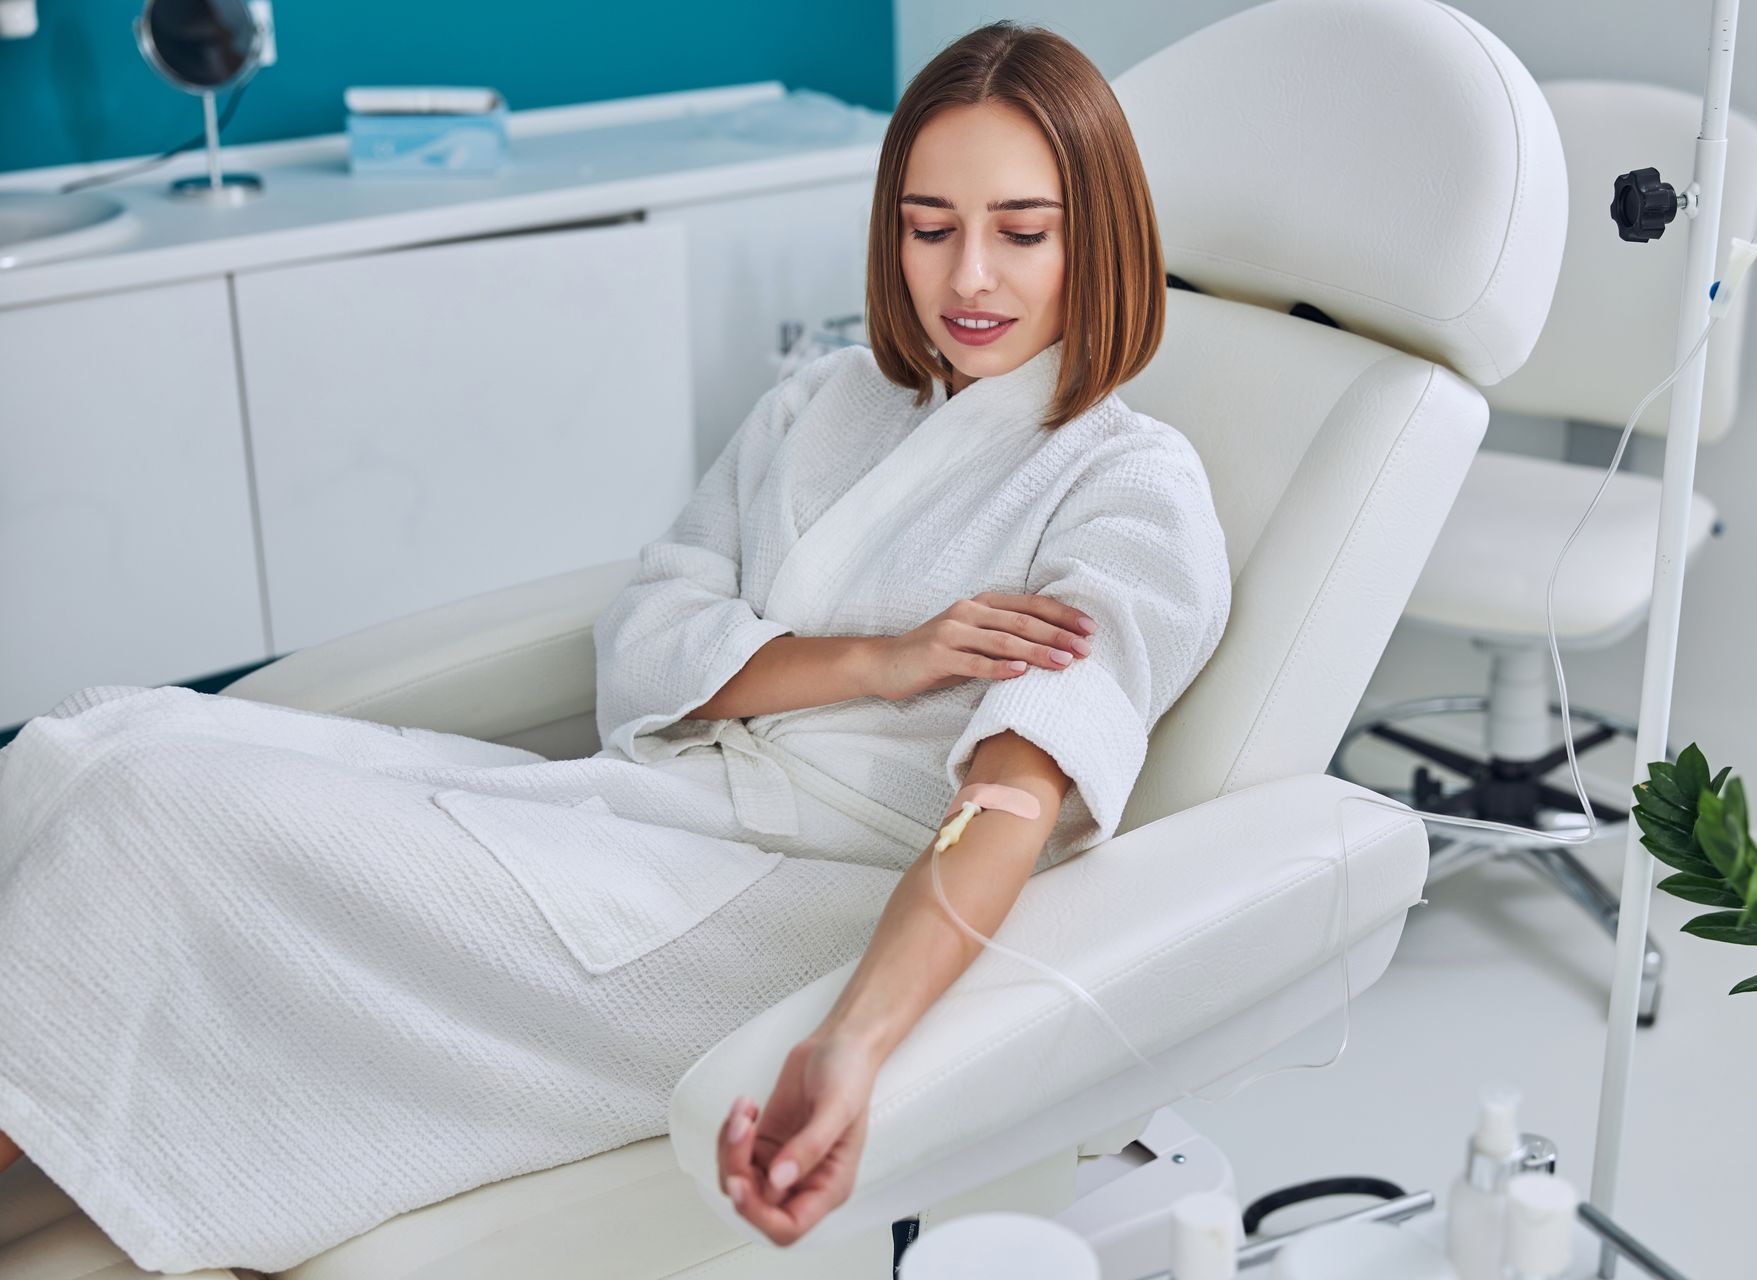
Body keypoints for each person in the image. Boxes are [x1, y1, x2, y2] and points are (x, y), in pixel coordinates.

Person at [0, 18, 1231, 1270]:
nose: (970, 277)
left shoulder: (1131, 490)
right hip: (653, 816)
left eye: (1023, 233)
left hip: (806, 916)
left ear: (1099, 236)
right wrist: (882, 657)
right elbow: (648, 635)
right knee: (95, 738)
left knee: (145, 814)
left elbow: (1011, 802)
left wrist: (850, 1043)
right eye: (930, 227)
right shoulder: (829, 402)